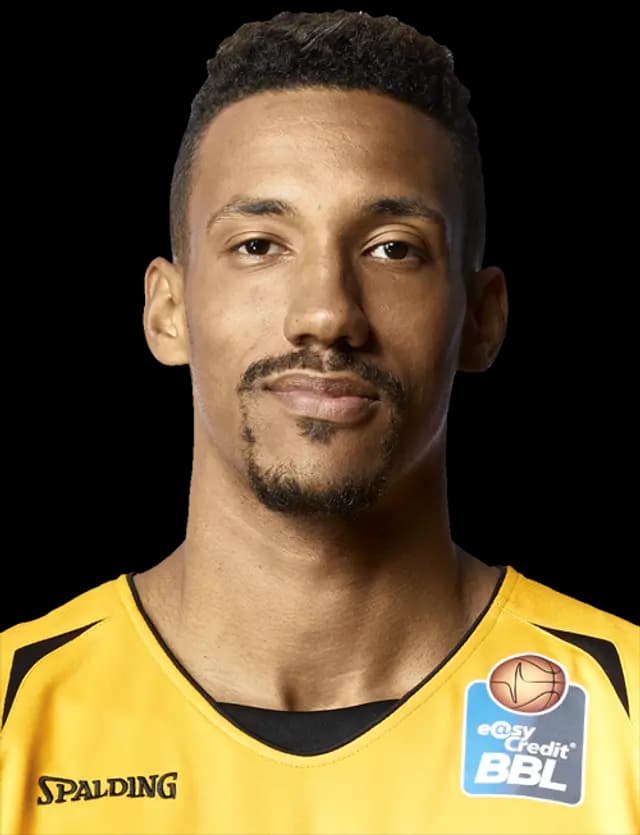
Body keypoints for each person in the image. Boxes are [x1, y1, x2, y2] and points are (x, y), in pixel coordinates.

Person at [1, 9, 637, 834]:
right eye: (260, 245)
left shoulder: (621, 710)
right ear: (168, 311)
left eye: (393, 248)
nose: (327, 313)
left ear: (482, 319)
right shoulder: (17, 708)